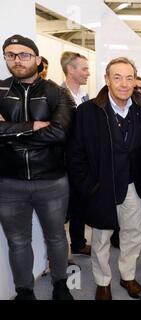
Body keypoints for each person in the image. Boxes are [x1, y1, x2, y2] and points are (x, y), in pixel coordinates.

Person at [0, 34, 75, 300]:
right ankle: (24, 291)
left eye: (24, 54)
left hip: (51, 181)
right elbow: (47, 133)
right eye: (11, 55)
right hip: (9, 182)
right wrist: (31, 127)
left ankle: (60, 285)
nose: (17, 60)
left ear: (38, 58)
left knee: (56, 238)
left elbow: (59, 134)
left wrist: (8, 133)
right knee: (17, 241)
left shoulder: (58, 92)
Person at [66, 57, 141, 300]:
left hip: (133, 186)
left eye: (129, 78)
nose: (124, 83)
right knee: (101, 238)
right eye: (117, 77)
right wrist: (89, 187)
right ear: (107, 80)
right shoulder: (88, 112)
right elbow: (75, 154)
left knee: (133, 234)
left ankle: (128, 275)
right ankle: (102, 281)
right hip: (102, 187)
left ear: (135, 81)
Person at [60, 51, 92, 257]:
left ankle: (79, 243)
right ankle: (60, 256)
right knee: (63, 210)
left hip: (82, 162)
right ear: (70, 69)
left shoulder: (85, 96)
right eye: (84, 68)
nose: (88, 73)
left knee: (80, 203)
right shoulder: (57, 95)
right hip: (62, 162)